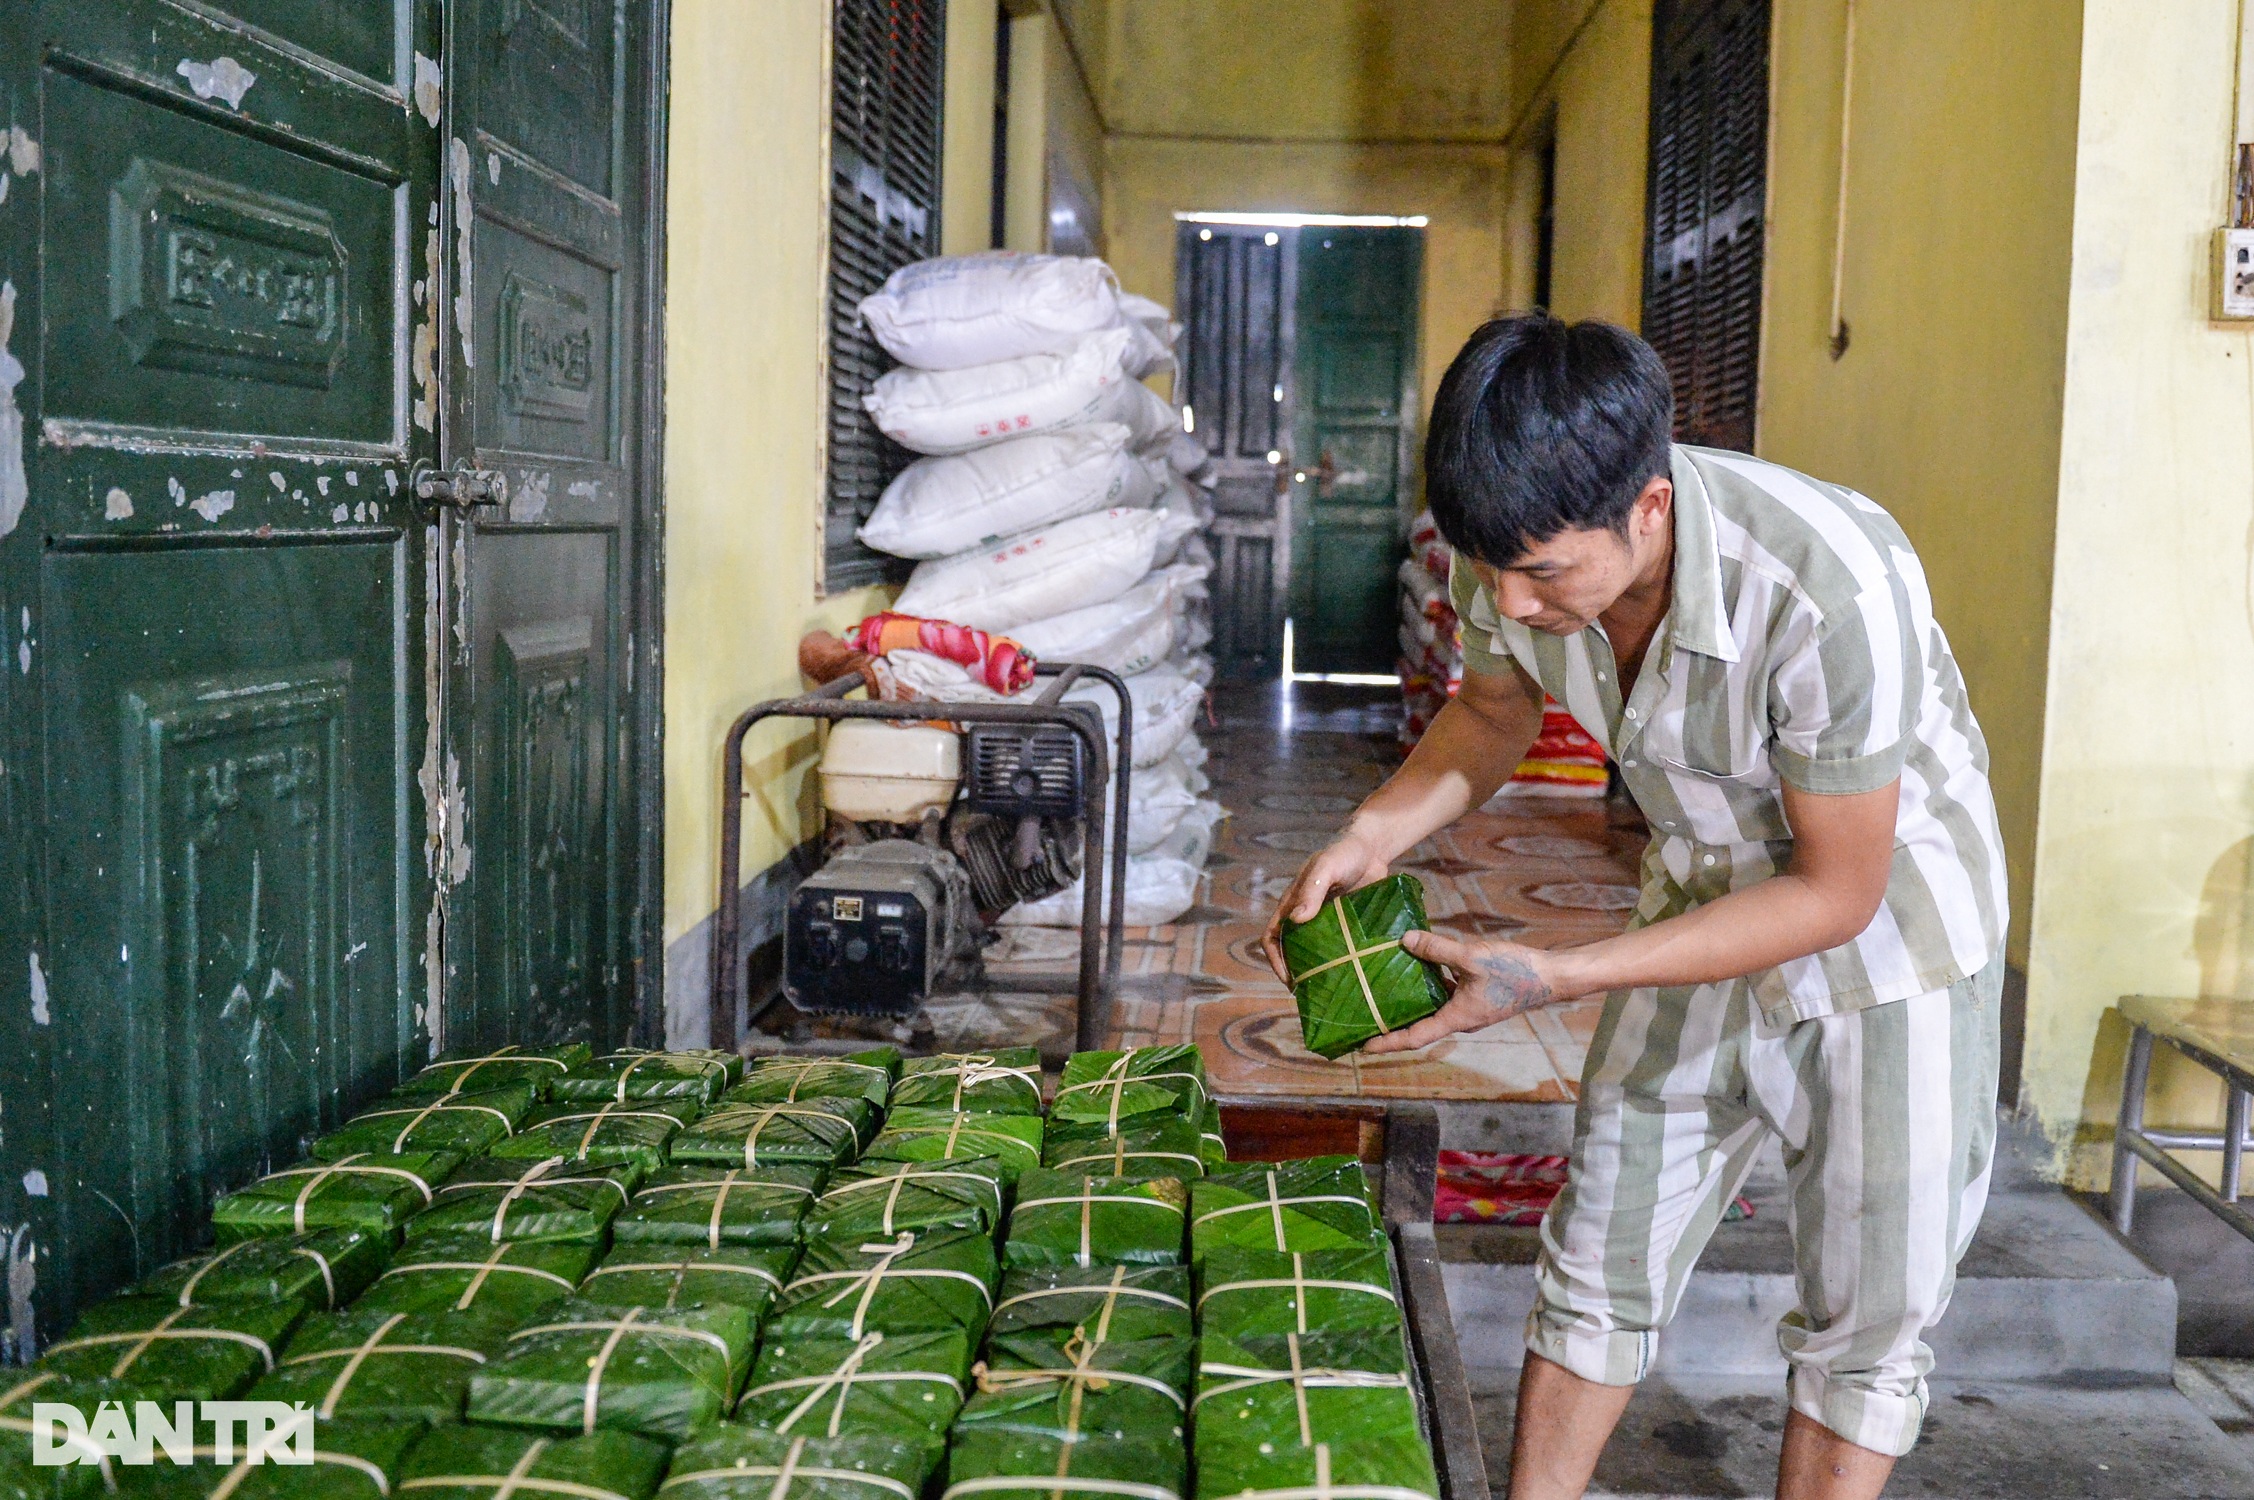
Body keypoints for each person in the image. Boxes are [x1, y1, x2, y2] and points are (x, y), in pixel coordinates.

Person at [1263, 313, 2006, 1500]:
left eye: (1544, 573)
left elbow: (1834, 889)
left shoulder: (1825, 583)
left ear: (1648, 508)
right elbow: (1494, 709)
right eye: (1490, 568)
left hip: (1890, 938)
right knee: (1600, 1247)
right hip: (1699, 888)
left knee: (1868, 1321)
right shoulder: (1508, 544)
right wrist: (1370, 833)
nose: (1509, 597)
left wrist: (1554, 976)